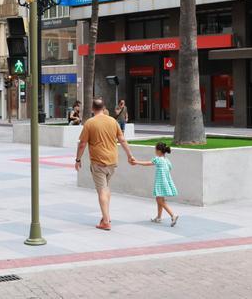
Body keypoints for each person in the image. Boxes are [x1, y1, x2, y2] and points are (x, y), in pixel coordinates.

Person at [75, 98, 136, 231]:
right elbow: (122, 139)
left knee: (102, 190)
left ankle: (106, 221)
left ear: (92, 109)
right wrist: (130, 155)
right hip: (112, 161)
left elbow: (82, 144)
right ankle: (105, 216)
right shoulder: (113, 121)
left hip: (99, 162)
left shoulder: (90, 123)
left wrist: (78, 160)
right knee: (106, 187)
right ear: (104, 108)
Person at [131, 142, 179, 227]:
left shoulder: (158, 159)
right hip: (165, 182)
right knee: (160, 199)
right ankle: (159, 217)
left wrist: (137, 162)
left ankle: (173, 215)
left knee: (160, 200)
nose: (155, 151)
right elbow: (170, 168)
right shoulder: (166, 160)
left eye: (155, 149)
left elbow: (148, 163)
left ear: (159, 151)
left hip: (160, 183)